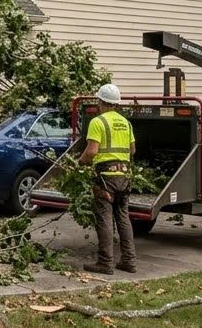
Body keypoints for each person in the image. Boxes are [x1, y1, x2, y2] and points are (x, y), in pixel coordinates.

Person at [78, 83, 138, 275]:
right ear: (117, 104)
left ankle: (105, 262)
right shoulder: (126, 123)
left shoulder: (98, 122)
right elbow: (132, 150)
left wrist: (81, 162)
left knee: (104, 219)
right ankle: (129, 261)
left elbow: (92, 151)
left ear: (100, 102)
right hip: (124, 176)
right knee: (123, 218)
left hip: (105, 177)